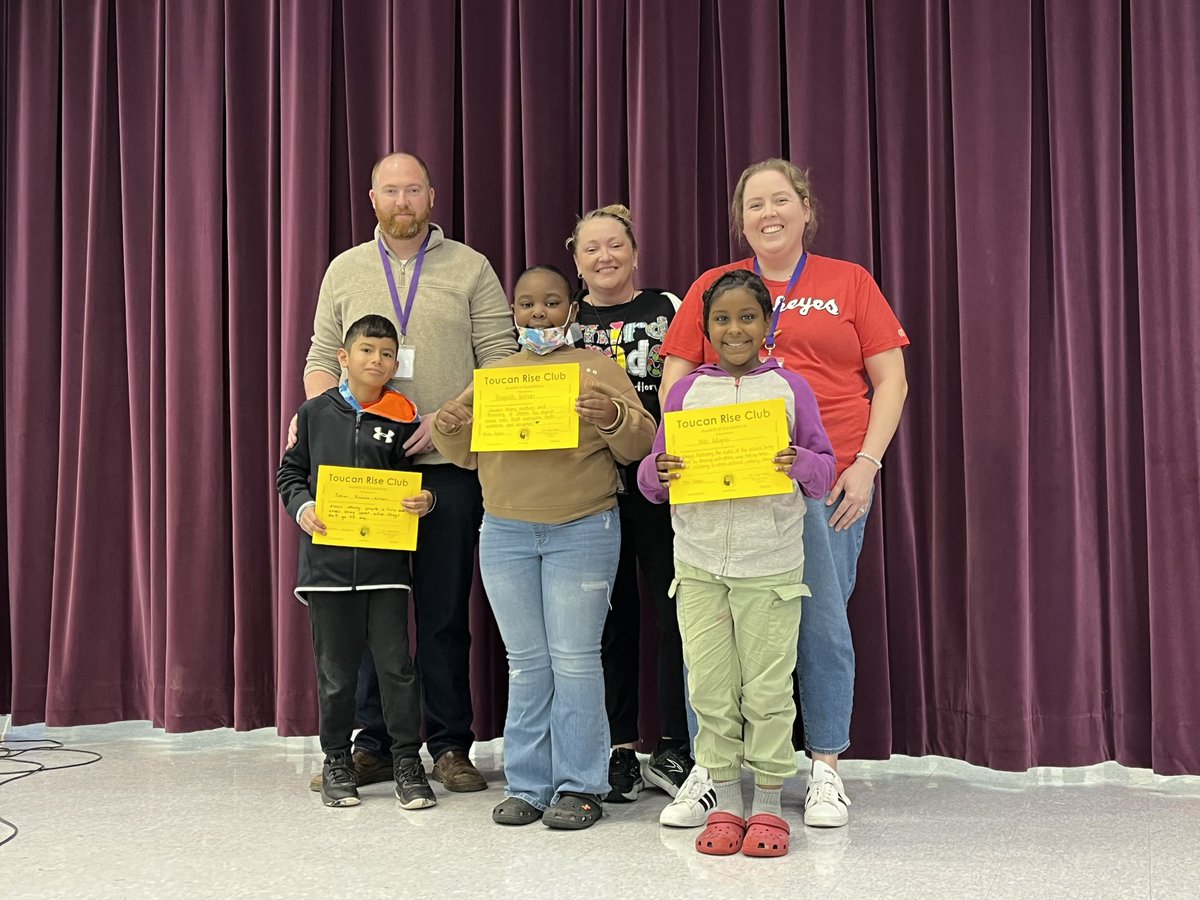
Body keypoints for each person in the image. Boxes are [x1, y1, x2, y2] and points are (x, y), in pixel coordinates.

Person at [658, 159, 910, 829]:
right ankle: (713, 772)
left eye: (781, 199)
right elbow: (675, 382)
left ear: (804, 208)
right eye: (754, 204)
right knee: (714, 633)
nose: (768, 212)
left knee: (820, 626)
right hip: (726, 493)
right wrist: (685, 462)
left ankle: (824, 768)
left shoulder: (848, 281)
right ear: (740, 220)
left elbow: (892, 380)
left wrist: (867, 464)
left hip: (826, 484)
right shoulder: (713, 286)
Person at [298, 152, 516, 794]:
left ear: (431, 196)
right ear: (372, 199)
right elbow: (318, 361)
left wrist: (449, 419)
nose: (402, 201)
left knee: (445, 614)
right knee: (369, 616)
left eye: (413, 189)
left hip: (446, 468)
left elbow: (501, 361)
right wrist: (326, 426)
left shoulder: (471, 267)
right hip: (364, 475)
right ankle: (374, 745)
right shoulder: (345, 269)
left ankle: (450, 746)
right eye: (390, 191)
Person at [431, 266, 656, 830]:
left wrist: (612, 417)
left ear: (571, 311)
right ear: (513, 314)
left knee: (576, 661)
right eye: (527, 304)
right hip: (505, 533)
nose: (539, 314)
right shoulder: (496, 374)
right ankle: (529, 785)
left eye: (552, 303)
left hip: (582, 527)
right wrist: (452, 425)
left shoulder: (596, 367)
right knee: (527, 664)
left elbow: (642, 442)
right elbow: (463, 452)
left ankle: (582, 786)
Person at [638, 270, 836, 857]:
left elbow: (824, 472)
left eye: (748, 317)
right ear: (704, 328)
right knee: (712, 689)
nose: (735, 329)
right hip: (698, 566)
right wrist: (660, 473)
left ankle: (770, 804)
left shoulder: (791, 389)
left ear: (768, 323)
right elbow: (652, 478)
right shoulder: (684, 393)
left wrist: (798, 461)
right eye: (722, 319)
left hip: (770, 565)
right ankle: (724, 801)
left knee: (770, 690)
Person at [278, 315, 437, 809]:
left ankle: (408, 764)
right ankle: (336, 762)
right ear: (343, 358)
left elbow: (417, 479)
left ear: (396, 363)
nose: (377, 360)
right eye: (367, 350)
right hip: (325, 572)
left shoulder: (404, 414)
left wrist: (425, 501)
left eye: (387, 354)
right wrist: (303, 507)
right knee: (335, 674)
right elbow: (290, 473)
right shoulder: (313, 412)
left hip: (385, 570)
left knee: (397, 669)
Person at [568, 204, 692, 804]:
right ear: (576, 258)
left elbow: (693, 388)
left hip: (660, 484)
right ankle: (618, 748)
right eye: (591, 248)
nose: (604, 258)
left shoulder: (669, 308)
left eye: (615, 245)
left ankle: (675, 744)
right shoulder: (560, 320)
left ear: (635, 251)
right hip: (589, 490)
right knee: (607, 621)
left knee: (675, 614)